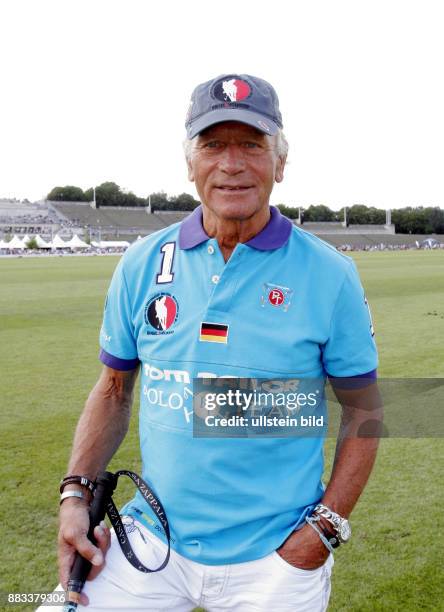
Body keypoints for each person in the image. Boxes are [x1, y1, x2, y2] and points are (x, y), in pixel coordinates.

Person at [41, 73, 382, 612]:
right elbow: (112, 391)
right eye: (213, 144)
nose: (232, 163)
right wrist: (74, 496)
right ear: (190, 162)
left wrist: (325, 528)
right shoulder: (141, 264)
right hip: (149, 541)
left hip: (276, 560)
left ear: (280, 162)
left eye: (252, 144)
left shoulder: (330, 274)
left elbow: (365, 410)